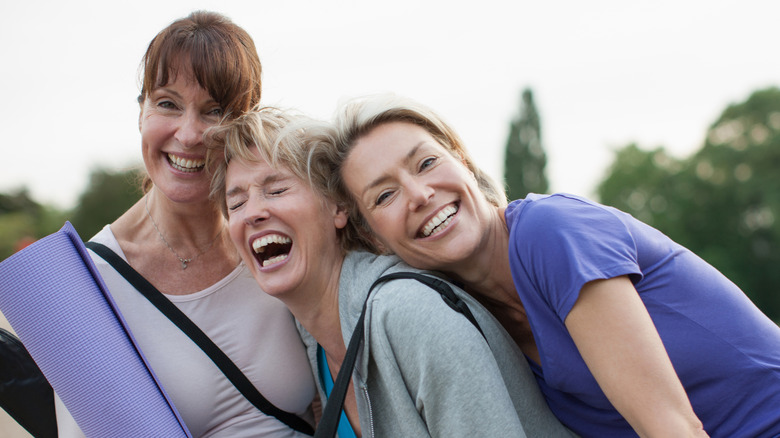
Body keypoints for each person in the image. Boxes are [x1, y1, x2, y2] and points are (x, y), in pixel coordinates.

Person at [323, 93, 780, 438]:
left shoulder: (551, 232)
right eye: (385, 195)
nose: (420, 194)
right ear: (372, 237)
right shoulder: (467, 319)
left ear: (462, 162)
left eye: (426, 163)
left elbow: (673, 428)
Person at [206, 106, 576, 437]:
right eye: (235, 202)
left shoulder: (408, 313)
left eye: (276, 189)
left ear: (338, 208)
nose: (252, 212)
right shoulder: (313, 338)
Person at [55, 11, 316, 437]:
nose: (190, 134)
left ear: (244, 126)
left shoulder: (277, 238)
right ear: (141, 111)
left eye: (214, 111)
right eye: (168, 104)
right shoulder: (86, 285)